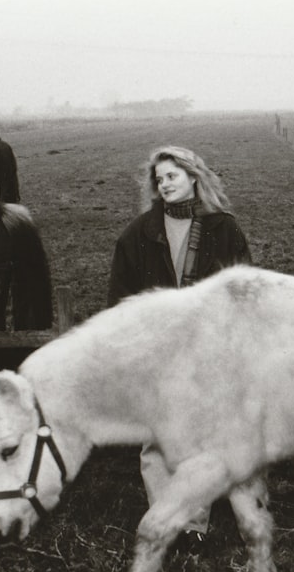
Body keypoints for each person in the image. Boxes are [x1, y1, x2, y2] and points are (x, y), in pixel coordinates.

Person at [107, 145, 252, 545]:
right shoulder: (138, 234)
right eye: (159, 179)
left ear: (193, 177)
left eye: (172, 176)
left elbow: (243, 287)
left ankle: (201, 511)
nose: (164, 184)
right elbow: (121, 299)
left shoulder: (224, 229)